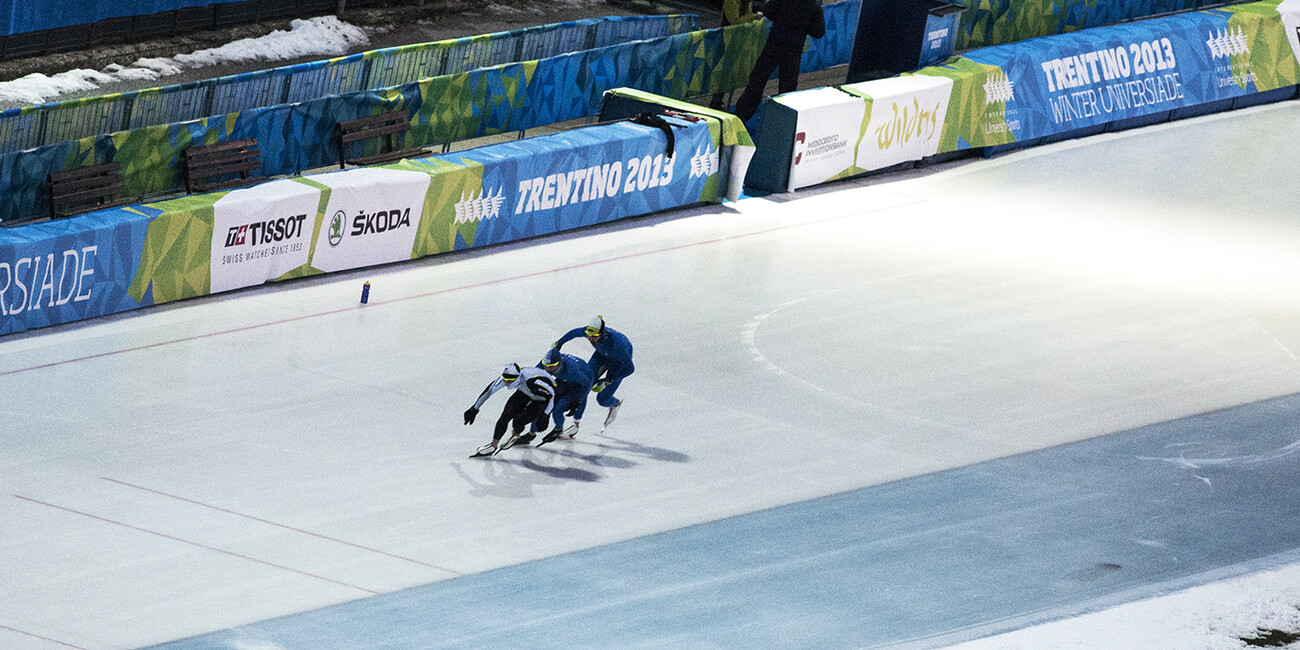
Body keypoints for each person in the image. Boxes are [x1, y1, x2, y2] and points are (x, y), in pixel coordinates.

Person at [732, 0, 826, 123]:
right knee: (787, 87)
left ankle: (741, 116)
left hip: (774, 44)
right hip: (794, 50)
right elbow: (818, 32)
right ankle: (782, 122)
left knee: (757, 81)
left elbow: (769, 12)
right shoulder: (814, 6)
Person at [552, 315, 634, 428]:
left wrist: (608, 379)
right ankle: (576, 424)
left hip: (618, 363)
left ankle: (615, 404)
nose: (590, 339)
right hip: (601, 356)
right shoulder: (590, 332)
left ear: (602, 334)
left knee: (602, 399)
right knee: (585, 383)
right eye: (588, 336)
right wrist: (559, 343)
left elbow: (630, 368)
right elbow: (574, 333)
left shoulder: (618, 345)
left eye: (594, 337)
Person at [463, 362, 556, 457]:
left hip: (541, 399)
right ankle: (493, 446)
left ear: (518, 377)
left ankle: (516, 434)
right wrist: (475, 408)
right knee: (505, 416)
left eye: (510, 381)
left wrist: (546, 415)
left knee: (518, 421)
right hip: (524, 392)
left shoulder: (533, 381)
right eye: (505, 380)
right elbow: (489, 391)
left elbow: (552, 396)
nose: (507, 383)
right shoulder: (508, 377)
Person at [709, 0, 764, 110]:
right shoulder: (732, 1)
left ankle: (718, 102)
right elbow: (734, 21)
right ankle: (715, 102)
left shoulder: (747, 2)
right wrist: (754, 17)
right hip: (725, 39)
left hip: (737, 40)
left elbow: (745, 18)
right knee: (722, 73)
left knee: (727, 73)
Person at [535, 348, 595, 445]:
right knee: (547, 399)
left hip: (581, 381)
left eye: (551, 367)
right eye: (546, 366)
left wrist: (577, 402)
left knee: (558, 409)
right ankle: (531, 432)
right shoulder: (547, 362)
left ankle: (560, 428)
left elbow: (586, 384)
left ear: (559, 364)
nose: (547, 369)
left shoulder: (572, 370)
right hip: (564, 379)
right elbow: (534, 372)